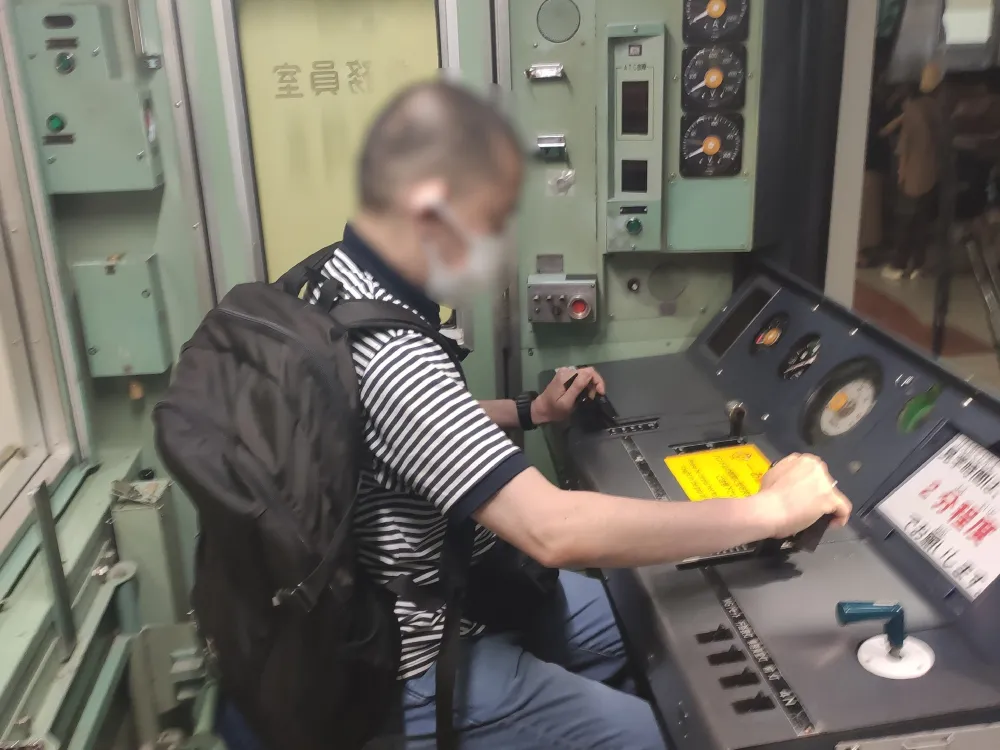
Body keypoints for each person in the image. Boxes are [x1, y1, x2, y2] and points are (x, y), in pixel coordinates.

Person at [222, 79, 851, 750]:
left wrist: (531, 409)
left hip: (451, 583)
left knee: (648, 613)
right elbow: (552, 531)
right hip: (410, 657)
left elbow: (387, 426)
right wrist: (769, 511)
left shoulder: (334, 279)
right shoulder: (394, 355)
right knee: (679, 734)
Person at [879, 62, 943, 280]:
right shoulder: (936, 108)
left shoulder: (913, 109)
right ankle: (918, 263)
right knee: (922, 222)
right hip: (932, 172)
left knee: (905, 220)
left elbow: (904, 147)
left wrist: (901, 172)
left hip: (913, 173)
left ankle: (898, 265)